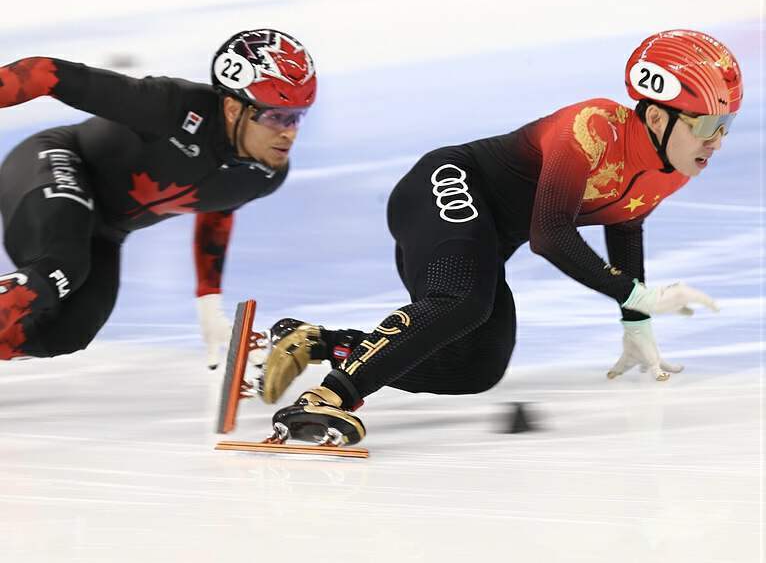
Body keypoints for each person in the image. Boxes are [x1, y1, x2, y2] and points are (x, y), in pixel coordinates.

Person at [254, 29, 742, 447]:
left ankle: (318, 342)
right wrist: (641, 295)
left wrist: (635, 323)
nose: (717, 141)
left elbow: (625, 224)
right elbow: (549, 235)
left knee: (476, 368)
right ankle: (328, 397)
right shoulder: (590, 130)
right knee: (463, 301)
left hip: (483, 237)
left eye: (727, 126)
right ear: (657, 117)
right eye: (708, 126)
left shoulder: (675, 166)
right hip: (445, 185)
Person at [0, 29, 316, 368]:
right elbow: (44, 73)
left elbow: (219, 207)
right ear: (231, 107)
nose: (289, 132)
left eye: (298, 116)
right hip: (59, 161)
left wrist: (210, 307)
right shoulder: (172, 107)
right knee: (63, 267)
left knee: (70, 332)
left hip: (106, 230)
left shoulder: (264, 176)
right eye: (276, 116)